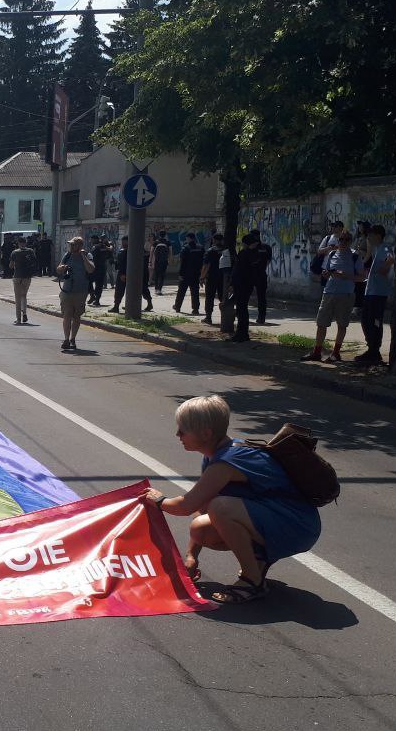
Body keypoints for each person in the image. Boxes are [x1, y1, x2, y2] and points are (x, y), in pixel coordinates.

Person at [140, 394, 321, 605]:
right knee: (202, 528)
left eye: (183, 430)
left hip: (298, 527)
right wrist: (191, 556)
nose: (177, 434)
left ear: (206, 434)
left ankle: (253, 581)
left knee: (221, 508)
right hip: (283, 520)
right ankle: (259, 561)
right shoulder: (216, 455)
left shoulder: (226, 462)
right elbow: (201, 507)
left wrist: (160, 500)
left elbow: (186, 506)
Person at [301, 229, 362, 363]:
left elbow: (362, 277)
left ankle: (336, 353)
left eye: (347, 240)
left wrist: (345, 276)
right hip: (329, 292)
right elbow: (327, 271)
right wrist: (326, 273)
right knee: (321, 323)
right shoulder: (333, 253)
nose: (344, 242)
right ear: (338, 240)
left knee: (342, 324)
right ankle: (317, 351)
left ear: (351, 241)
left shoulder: (355, 256)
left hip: (345, 294)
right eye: (342, 239)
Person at [355, 224, 394, 365]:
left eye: (370, 235)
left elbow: (390, 261)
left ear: (378, 235)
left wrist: (383, 269)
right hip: (372, 291)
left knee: (374, 321)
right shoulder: (377, 249)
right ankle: (372, 348)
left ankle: (374, 350)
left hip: (378, 293)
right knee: (366, 320)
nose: (368, 237)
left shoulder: (384, 248)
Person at [229, 231, 271, 342]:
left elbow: (238, 270)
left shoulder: (245, 253)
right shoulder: (259, 252)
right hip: (250, 283)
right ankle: (244, 333)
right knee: (244, 308)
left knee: (241, 309)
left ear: (246, 243)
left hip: (242, 284)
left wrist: (232, 284)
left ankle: (241, 334)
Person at [56, 236, 93, 352]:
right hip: (67, 290)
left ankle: (73, 338)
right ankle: (66, 339)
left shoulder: (87, 255)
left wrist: (83, 257)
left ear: (80, 246)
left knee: (76, 316)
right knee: (66, 315)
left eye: (73, 245)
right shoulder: (67, 255)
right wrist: (62, 268)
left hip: (81, 291)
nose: (71, 247)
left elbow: (91, 269)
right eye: (70, 245)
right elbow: (58, 269)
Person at [110, 235, 153, 312]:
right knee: (122, 290)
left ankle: (148, 303)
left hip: (130, 273)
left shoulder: (132, 251)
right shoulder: (126, 250)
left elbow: (128, 263)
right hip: (128, 273)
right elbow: (120, 263)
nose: (123, 243)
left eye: (124, 242)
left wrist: (123, 273)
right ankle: (118, 306)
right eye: (123, 242)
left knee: (138, 289)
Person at [9, 235, 38, 325]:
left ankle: (18, 319)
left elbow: (11, 266)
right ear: (25, 243)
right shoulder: (31, 251)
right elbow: (35, 262)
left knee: (17, 298)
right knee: (24, 296)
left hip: (17, 276)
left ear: (18, 243)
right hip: (27, 277)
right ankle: (24, 313)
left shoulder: (15, 252)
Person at [174, 232, 204, 315]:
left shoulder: (185, 248)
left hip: (186, 274)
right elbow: (203, 261)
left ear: (188, 238)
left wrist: (180, 274)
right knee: (195, 292)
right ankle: (195, 309)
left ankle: (177, 306)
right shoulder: (201, 248)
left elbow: (182, 263)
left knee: (181, 291)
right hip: (196, 273)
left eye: (186, 238)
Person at [202, 233, 226, 324]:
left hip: (212, 277)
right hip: (223, 277)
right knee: (223, 297)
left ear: (214, 240)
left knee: (209, 297)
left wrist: (202, 277)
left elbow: (206, 265)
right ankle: (225, 317)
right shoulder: (227, 250)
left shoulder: (210, 251)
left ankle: (208, 317)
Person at [89, 235, 112, 306]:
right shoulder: (106, 247)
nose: (91, 241)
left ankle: (92, 296)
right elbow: (109, 255)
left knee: (88, 281)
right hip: (103, 267)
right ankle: (97, 300)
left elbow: (92, 257)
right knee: (99, 285)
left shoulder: (95, 247)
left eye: (92, 239)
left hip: (95, 267)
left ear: (95, 239)